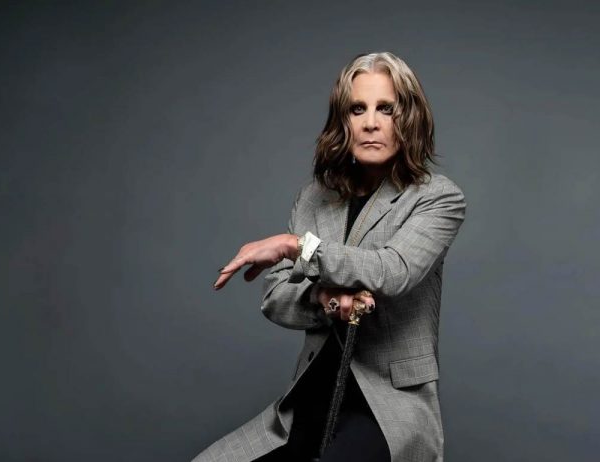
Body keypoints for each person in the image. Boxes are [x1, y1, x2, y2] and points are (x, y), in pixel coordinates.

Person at [195, 51, 467, 462]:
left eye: (386, 109)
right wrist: (324, 300)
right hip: (311, 395)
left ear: (408, 118)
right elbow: (275, 296)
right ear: (343, 121)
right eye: (358, 109)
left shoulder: (437, 198)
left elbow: (393, 270)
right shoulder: (314, 198)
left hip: (388, 408)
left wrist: (298, 246)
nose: (371, 122)